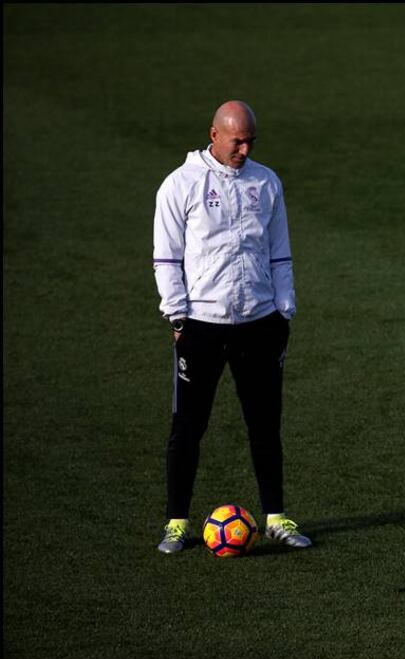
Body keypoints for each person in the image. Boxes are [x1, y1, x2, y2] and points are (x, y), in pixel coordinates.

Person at [152, 100, 311, 553]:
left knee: (265, 425)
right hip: (201, 325)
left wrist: (285, 311)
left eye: (250, 141)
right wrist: (178, 316)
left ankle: (276, 517)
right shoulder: (180, 186)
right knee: (188, 426)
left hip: (260, 324)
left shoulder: (267, 182)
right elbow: (166, 257)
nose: (244, 149)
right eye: (236, 140)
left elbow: (280, 252)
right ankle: (177, 522)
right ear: (214, 134)